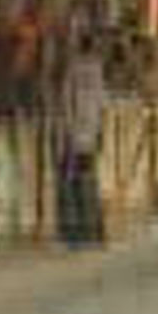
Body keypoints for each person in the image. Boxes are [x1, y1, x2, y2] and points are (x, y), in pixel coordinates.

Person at [60, 32, 106, 247]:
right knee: (88, 180)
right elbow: (100, 104)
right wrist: (99, 132)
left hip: (78, 131)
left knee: (77, 181)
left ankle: (80, 230)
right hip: (88, 131)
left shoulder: (74, 70)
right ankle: (91, 229)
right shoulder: (95, 70)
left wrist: (69, 130)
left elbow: (67, 102)